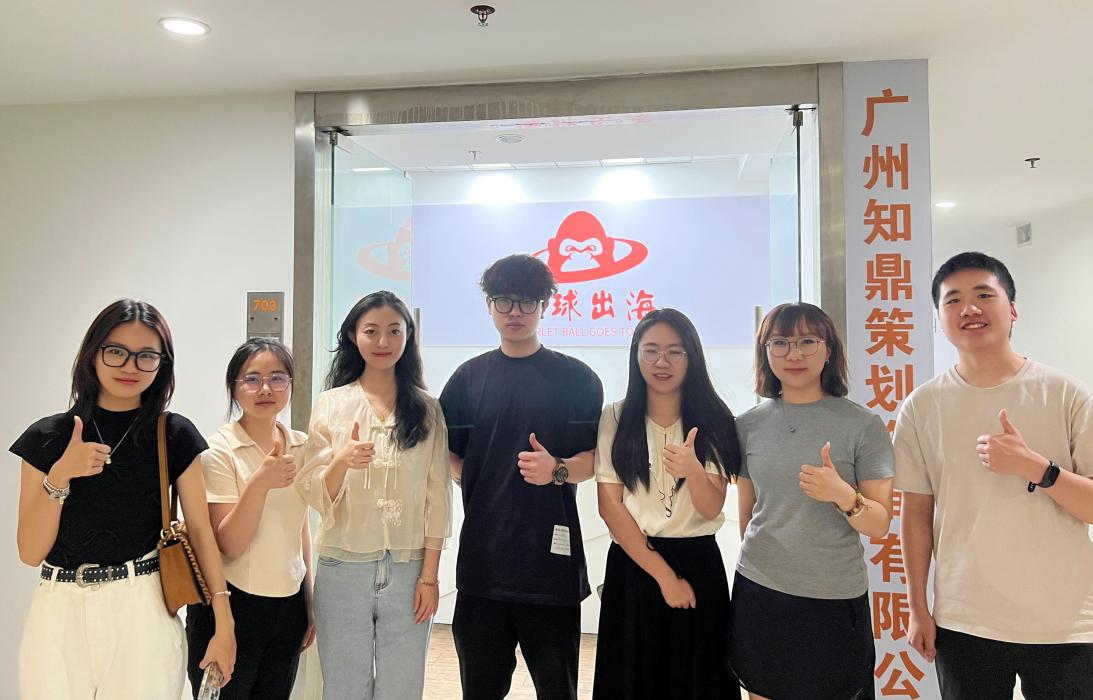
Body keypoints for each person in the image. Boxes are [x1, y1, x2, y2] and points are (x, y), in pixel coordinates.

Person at [11, 298, 236, 698]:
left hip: (142, 606)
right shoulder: (46, 438)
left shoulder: (174, 434)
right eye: (116, 352)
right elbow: (30, 551)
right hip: (58, 610)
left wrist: (225, 623)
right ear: (93, 353)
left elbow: (201, 532)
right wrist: (61, 475)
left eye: (146, 356)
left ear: (162, 364)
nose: (130, 367)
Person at [895, 252, 1093, 699]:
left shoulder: (1066, 394)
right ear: (938, 319)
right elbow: (916, 513)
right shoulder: (922, 406)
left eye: (984, 295)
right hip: (965, 620)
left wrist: (1038, 469)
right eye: (953, 300)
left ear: (1013, 310)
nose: (969, 308)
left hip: (1064, 621)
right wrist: (917, 607)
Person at [439, 254, 604, 700]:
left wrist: (558, 469)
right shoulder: (468, 379)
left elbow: (594, 458)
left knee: (558, 691)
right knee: (480, 690)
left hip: (550, 571)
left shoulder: (577, 379)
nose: (516, 312)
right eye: (504, 301)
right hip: (483, 569)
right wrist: (473, 475)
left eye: (528, 302)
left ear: (545, 306)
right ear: (489, 305)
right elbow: (446, 453)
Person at [731, 302, 894, 700]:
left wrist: (844, 496)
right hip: (761, 590)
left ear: (829, 349)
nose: (794, 354)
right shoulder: (747, 424)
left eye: (807, 341)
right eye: (780, 343)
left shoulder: (863, 425)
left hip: (833, 597)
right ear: (765, 352)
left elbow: (879, 524)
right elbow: (748, 516)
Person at [298, 291, 452, 700]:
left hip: (408, 568)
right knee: (344, 686)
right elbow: (314, 492)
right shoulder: (331, 404)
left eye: (394, 331)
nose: (383, 341)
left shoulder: (427, 409)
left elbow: (438, 499)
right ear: (353, 335)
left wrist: (430, 576)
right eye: (371, 331)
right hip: (342, 566)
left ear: (408, 337)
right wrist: (341, 461)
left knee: (402, 687)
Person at [593, 308, 741, 699]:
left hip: (698, 564)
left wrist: (693, 470)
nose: (662, 361)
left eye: (675, 351)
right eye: (651, 350)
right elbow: (610, 507)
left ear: (692, 357)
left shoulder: (714, 418)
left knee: (698, 680)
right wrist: (664, 578)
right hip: (635, 563)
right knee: (633, 679)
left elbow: (710, 508)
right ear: (636, 355)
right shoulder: (615, 417)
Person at [185, 338, 313, 698]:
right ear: (234, 387)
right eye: (252, 379)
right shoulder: (218, 450)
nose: (266, 389)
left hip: (288, 605)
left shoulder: (301, 445)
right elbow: (230, 544)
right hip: (231, 605)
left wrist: (309, 601)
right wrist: (259, 484)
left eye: (277, 378)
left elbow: (300, 526)